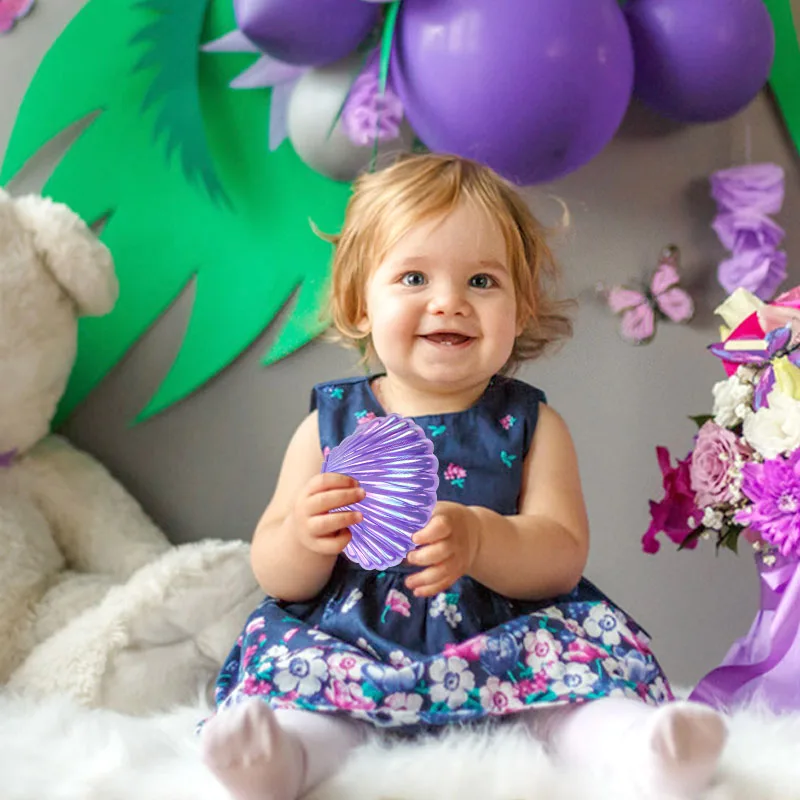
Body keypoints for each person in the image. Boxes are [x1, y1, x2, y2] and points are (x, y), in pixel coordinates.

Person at [200, 154, 727, 800]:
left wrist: (481, 540)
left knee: (569, 703)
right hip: (359, 641)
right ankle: (282, 758)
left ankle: (641, 750)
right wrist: (306, 539)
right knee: (320, 703)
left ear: (520, 306)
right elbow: (273, 570)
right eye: (414, 276)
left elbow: (561, 554)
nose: (449, 302)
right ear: (359, 302)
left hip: (506, 640)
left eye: (482, 281)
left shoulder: (531, 425)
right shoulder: (330, 426)